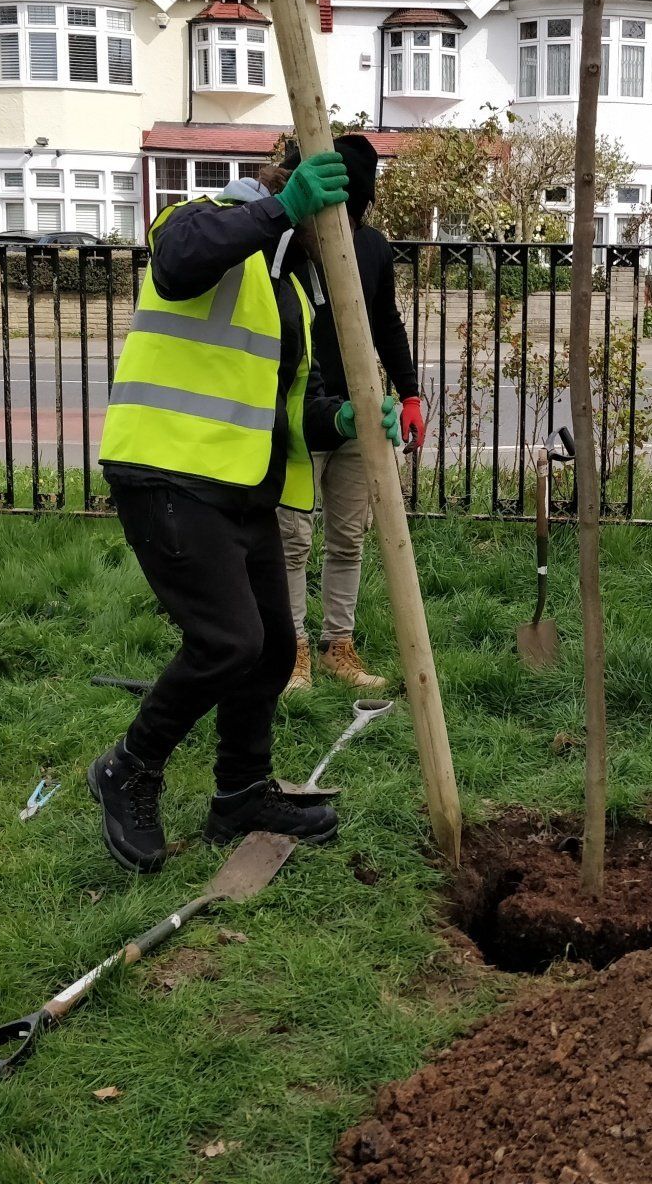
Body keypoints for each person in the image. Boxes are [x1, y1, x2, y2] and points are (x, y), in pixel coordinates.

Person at [89, 155, 402, 874]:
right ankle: (129, 768)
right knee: (227, 643)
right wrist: (279, 208)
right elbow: (177, 263)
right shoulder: (201, 219)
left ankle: (239, 793)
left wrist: (347, 417)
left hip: (241, 488)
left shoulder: (287, 290)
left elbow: (295, 406)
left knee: (268, 649)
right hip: (168, 473)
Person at [277, 135, 424, 694]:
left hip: (362, 412)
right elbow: (291, 335)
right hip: (301, 412)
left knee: (347, 536)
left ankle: (337, 644)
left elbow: (386, 323)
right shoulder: (289, 245)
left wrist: (409, 394)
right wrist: (327, 413)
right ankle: (291, 654)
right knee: (292, 537)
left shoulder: (373, 249)